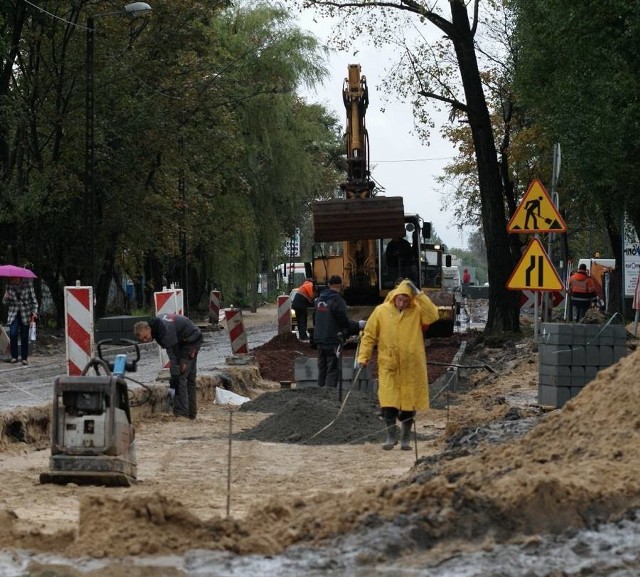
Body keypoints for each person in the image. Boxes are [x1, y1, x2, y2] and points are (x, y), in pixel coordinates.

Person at [357, 279, 440, 451]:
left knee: (409, 404)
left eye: (406, 300)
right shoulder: (381, 311)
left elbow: (434, 315)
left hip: (411, 366)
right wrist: (363, 357)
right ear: (394, 298)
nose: (402, 303)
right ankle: (390, 436)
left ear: (411, 300)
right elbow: (369, 335)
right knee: (388, 402)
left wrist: (420, 295)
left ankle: (406, 438)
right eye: (399, 299)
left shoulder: (417, 311)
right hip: (389, 365)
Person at [134, 314, 203, 419]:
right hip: (191, 337)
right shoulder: (157, 327)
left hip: (190, 340)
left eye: (145, 336)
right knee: (189, 379)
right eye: (142, 339)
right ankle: (191, 414)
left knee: (181, 377)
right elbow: (173, 349)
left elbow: (173, 353)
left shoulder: (164, 332)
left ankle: (182, 414)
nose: (145, 340)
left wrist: (175, 372)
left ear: (148, 328)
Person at [313, 275, 365, 387]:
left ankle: (318, 395)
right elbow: (344, 322)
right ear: (340, 285)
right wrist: (358, 325)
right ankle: (329, 396)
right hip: (332, 340)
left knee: (322, 368)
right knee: (332, 369)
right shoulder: (338, 301)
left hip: (319, 340)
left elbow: (314, 320)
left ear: (329, 285)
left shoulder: (319, 300)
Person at [3, 276, 38, 366]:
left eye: (14, 278)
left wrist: (34, 311)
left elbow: (34, 300)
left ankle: (24, 358)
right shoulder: (8, 285)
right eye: (11, 279)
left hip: (25, 312)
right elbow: (5, 302)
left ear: (18, 277)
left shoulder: (28, 284)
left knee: (24, 336)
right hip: (13, 313)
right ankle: (14, 356)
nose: (12, 280)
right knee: (13, 333)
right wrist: (6, 297)